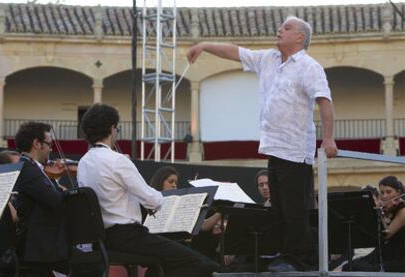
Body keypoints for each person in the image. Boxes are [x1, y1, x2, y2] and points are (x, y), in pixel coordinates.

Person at [187, 15, 338, 272]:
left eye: (287, 27)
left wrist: (329, 138)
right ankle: (285, 255)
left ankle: (301, 260)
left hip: (294, 149)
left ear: (300, 37)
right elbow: (235, 52)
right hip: (274, 147)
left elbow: (325, 100)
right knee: (278, 209)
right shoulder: (268, 59)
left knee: (294, 211)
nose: (280, 29)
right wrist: (204, 46)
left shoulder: (309, 67)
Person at [77, 103, 219, 277]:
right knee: (200, 263)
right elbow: (154, 201)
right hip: (128, 236)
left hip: (102, 238)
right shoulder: (118, 161)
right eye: (117, 129)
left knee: (166, 264)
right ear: (112, 128)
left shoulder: (83, 163)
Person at [12, 122, 69, 276]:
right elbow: (55, 200)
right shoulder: (28, 169)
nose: (51, 149)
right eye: (49, 144)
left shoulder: (32, 167)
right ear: (37, 144)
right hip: (37, 246)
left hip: (40, 243)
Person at [342, 176, 405, 272]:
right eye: (382, 193)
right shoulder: (390, 209)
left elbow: (386, 234)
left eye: (389, 192)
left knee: (355, 268)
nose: (384, 196)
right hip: (387, 253)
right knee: (347, 266)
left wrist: (380, 213)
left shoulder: (403, 210)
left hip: (399, 259)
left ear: (399, 192)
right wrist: (385, 213)